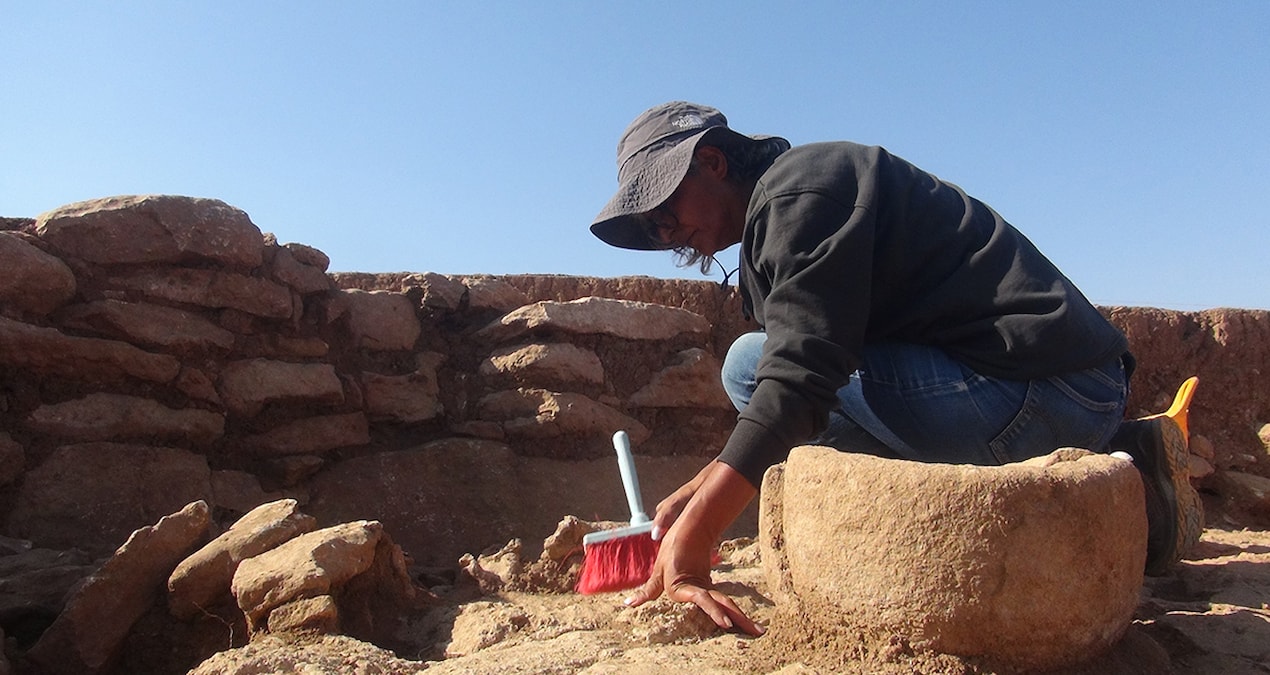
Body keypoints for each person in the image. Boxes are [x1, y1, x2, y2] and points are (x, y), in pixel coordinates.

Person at [588, 101, 1201, 636]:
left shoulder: (800, 191)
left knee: (750, 365)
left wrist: (700, 533)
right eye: (652, 229)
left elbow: (801, 377)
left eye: (664, 209)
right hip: (1060, 391)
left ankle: (1094, 458)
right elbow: (813, 368)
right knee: (758, 367)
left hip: (1045, 387)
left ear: (712, 163)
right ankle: (1129, 465)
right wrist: (702, 488)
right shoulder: (772, 230)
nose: (666, 234)